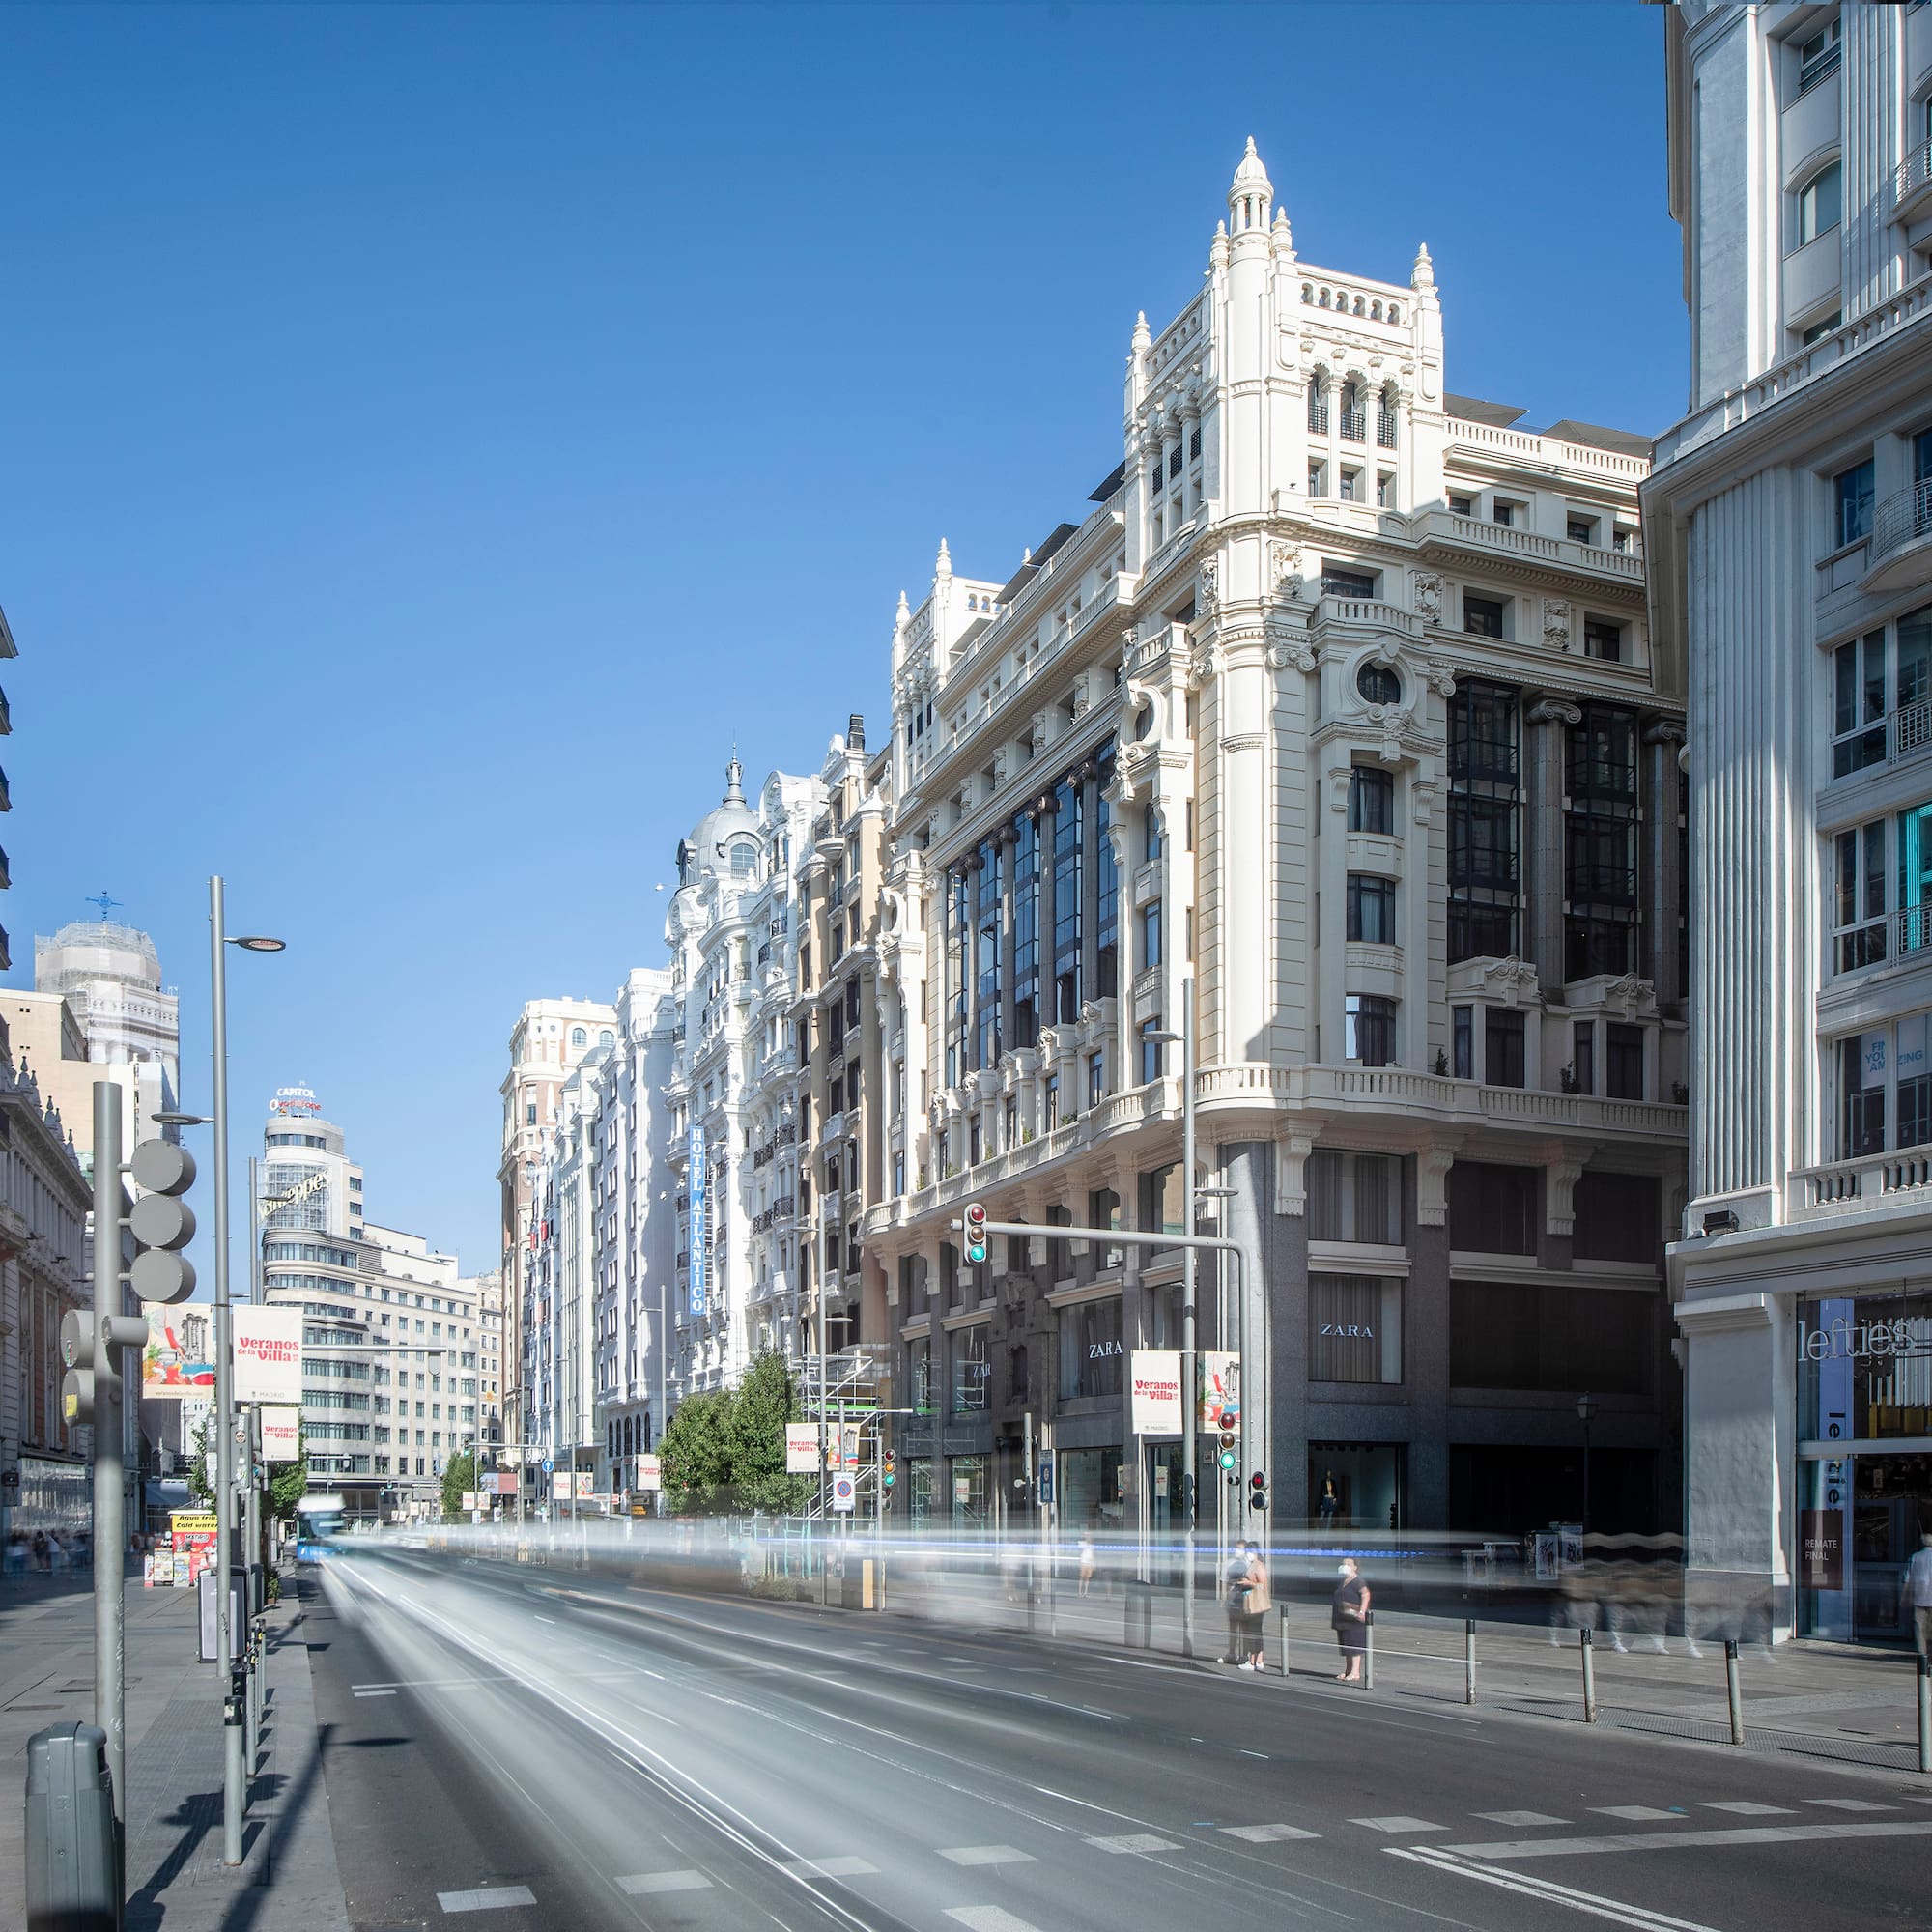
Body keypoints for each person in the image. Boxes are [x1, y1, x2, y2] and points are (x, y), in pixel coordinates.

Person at [1332, 1555, 1370, 1684]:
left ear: (1355, 1567)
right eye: (1344, 1563)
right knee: (1346, 1645)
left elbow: (1365, 1594)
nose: (1345, 1566)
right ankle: (1348, 1670)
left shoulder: (1358, 1581)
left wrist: (1362, 1611)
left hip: (1353, 1619)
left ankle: (1355, 1672)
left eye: (1348, 1563)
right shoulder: (1343, 1581)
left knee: (1354, 1645)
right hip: (1343, 1618)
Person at [1239, 1541, 1272, 1672]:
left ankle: (1254, 1661)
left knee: (1253, 1632)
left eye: (1249, 1552)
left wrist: (1248, 1582)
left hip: (1257, 1603)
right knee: (1254, 1631)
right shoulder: (1253, 1565)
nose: (1247, 1554)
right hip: (1252, 1601)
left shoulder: (1258, 1566)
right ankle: (1257, 1660)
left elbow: (1262, 1585)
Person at [1902, 1529, 1932, 1657]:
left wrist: (1905, 1596)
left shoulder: (1915, 1557)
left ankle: (1923, 1654)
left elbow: (1907, 1580)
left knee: (1920, 1628)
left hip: (1919, 1598)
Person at [1222, 1546, 1252, 1663]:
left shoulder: (1248, 1565)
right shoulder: (1230, 1563)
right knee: (1233, 1628)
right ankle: (1232, 1653)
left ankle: (1245, 1655)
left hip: (1242, 1601)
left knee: (1244, 1628)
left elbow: (1248, 1586)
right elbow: (1227, 1582)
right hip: (1234, 1600)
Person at [1076, 1533, 1096, 1598]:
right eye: (1087, 1536)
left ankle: (1085, 1593)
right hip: (1083, 1562)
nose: (1088, 1538)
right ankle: (1079, 1592)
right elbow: (1079, 1551)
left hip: (1089, 1563)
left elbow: (1092, 1554)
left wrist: (1093, 1563)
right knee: (1082, 1577)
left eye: (1089, 1537)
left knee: (1087, 1578)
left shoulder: (1092, 1545)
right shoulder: (1082, 1543)